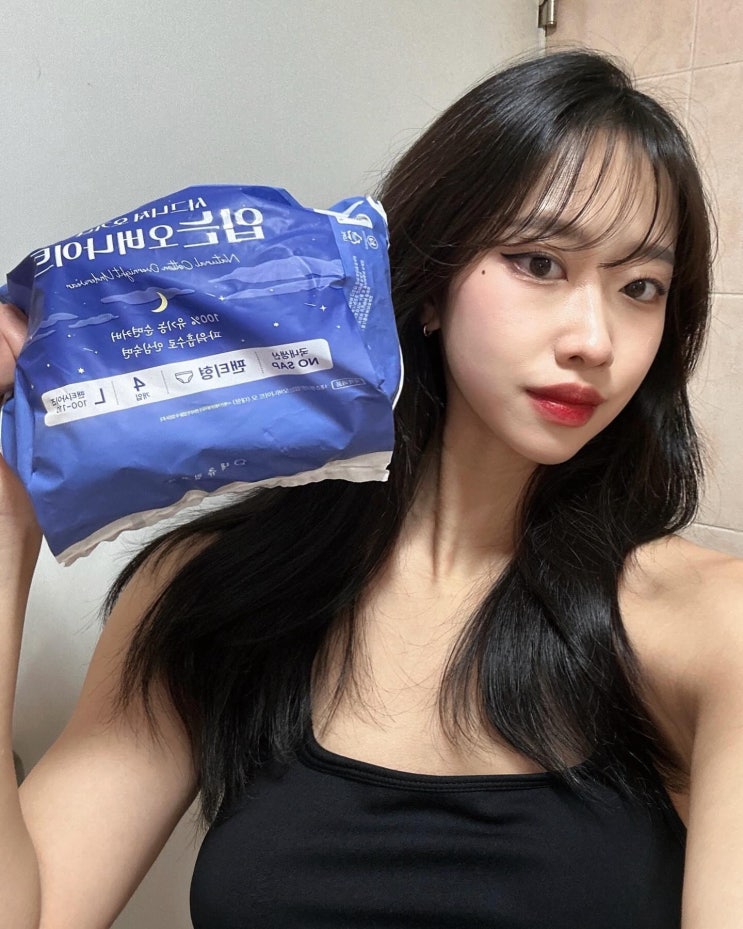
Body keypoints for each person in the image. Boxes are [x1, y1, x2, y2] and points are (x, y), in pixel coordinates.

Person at [1, 47, 741, 929]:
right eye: (539, 263)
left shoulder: (709, 624)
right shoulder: (213, 593)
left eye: (639, 286)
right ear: (429, 287)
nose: (594, 339)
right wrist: (8, 510)